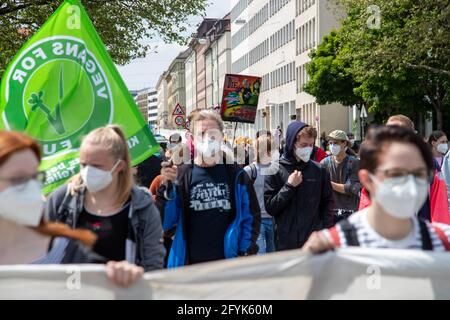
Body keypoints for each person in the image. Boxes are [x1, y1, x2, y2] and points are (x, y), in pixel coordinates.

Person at [0, 131, 143, 287]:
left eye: (35, 177)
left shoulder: (70, 254)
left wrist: (121, 278)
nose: (32, 188)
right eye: (19, 179)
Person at [303, 126, 450, 253]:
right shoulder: (333, 244)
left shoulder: (443, 242)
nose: (410, 184)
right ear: (367, 180)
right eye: (396, 174)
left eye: (419, 174)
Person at [45, 125, 165, 272]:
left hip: (122, 293)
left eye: (96, 166)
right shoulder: (62, 200)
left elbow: (153, 265)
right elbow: (41, 254)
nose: (88, 172)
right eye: (83, 165)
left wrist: (134, 275)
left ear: (119, 166)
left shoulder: (141, 206)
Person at [156, 109, 260, 268]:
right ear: (192, 138)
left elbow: (250, 218)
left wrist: (244, 253)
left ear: (221, 136)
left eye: (213, 134)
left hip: (228, 268)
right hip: (189, 269)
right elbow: (165, 223)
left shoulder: (236, 174)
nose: (208, 138)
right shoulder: (182, 175)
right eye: (202, 133)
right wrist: (168, 188)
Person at [359, 115, 450, 224]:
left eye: (398, 131)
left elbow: (440, 203)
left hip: (419, 229)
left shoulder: (429, 164)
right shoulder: (376, 162)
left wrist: (437, 232)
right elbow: (367, 199)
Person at [264, 121, 334, 250]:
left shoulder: (320, 170)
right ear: (292, 144)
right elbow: (270, 207)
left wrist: (326, 232)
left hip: (313, 242)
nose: (308, 148)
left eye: (311, 145)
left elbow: (327, 204)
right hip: (285, 243)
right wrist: (289, 186)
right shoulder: (274, 169)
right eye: (303, 145)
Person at [244, 134, 277, 254]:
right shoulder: (249, 171)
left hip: (273, 220)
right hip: (256, 221)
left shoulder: (276, 170)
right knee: (261, 255)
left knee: (273, 255)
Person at [321, 130, 361, 224]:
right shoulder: (324, 163)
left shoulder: (354, 163)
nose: (332, 146)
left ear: (344, 143)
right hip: (330, 213)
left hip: (350, 213)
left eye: (336, 143)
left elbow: (350, 188)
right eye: (330, 143)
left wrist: (328, 183)